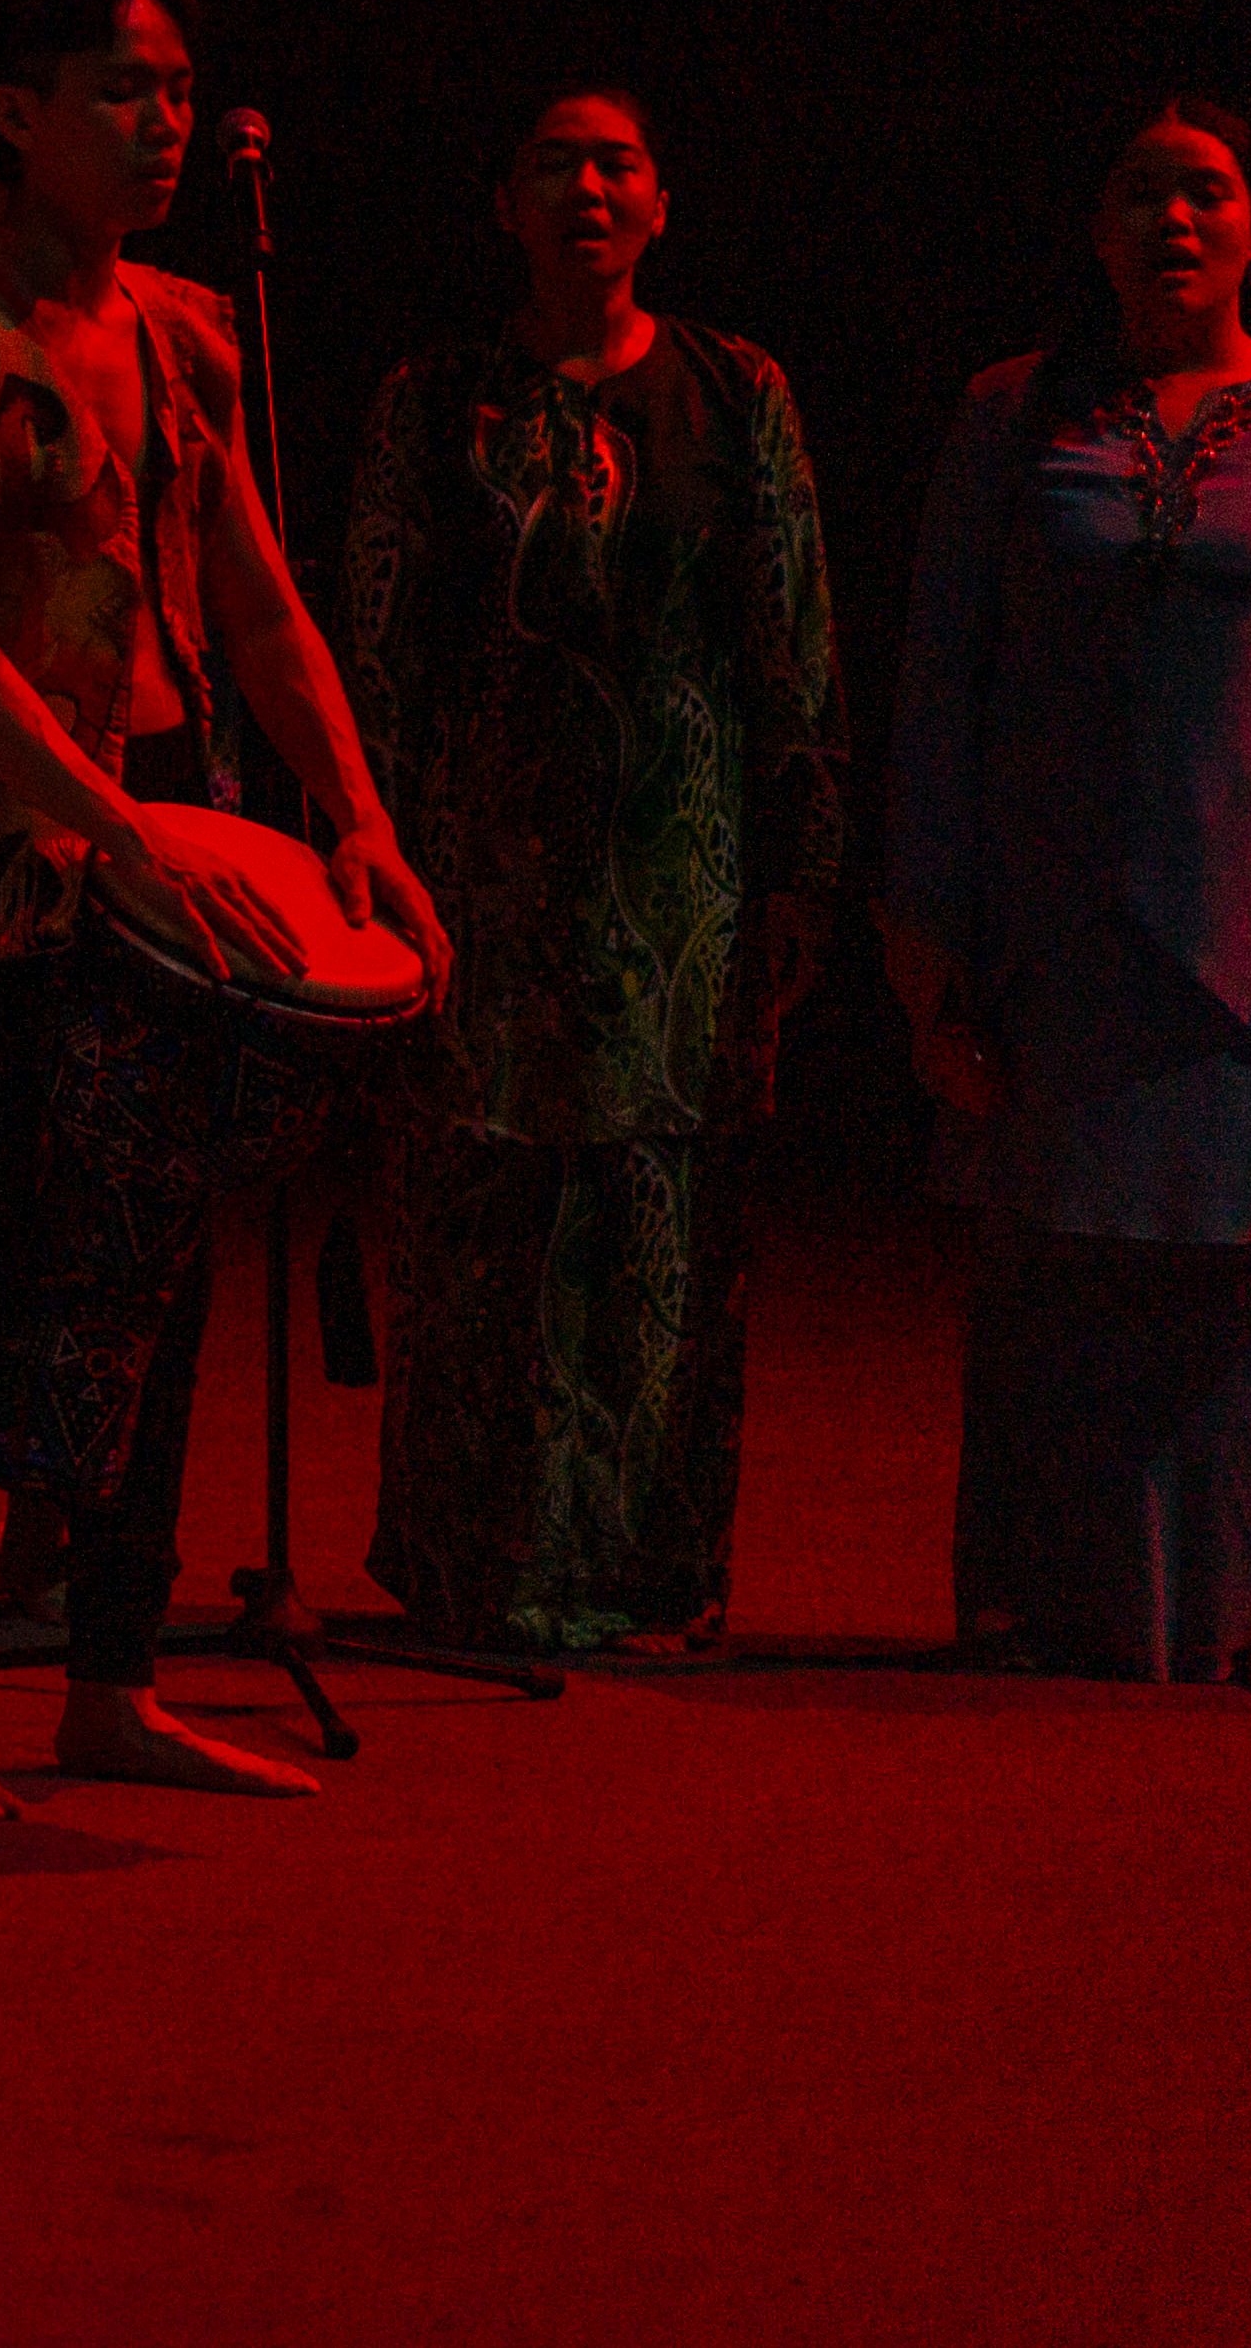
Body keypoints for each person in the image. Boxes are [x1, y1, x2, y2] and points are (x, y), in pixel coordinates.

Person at [0, 0, 446, 1822]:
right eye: (119, 90)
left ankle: (109, 1676)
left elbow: (251, 598)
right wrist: (113, 827)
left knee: (155, 1265)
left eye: (173, 88)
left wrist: (351, 811)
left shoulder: (182, 332)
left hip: (152, 815)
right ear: (12, 116)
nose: (163, 122)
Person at [336, 90, 842, 1657]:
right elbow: (374, 637)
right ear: (507, 203)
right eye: (555, 159)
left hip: (678, 882)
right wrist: (364, 856)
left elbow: (791, 635)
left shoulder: (734, 389)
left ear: (661, 204)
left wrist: (799, 870)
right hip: (474, 876)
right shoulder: (437, 400)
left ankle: (647, 1575)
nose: (589, 185)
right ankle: (466, 1569)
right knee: (473, 1221)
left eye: (619, 159)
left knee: (657, 1228)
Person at [889, 97, 1251, 1690]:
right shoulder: (1014, 416)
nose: (1174, 221)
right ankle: (1065, 1592)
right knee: (1065, 1251)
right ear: (1099, 231)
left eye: (1206, 194)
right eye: (1141, 194)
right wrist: (934, 955)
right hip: (1064, 902)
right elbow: (940, 680)